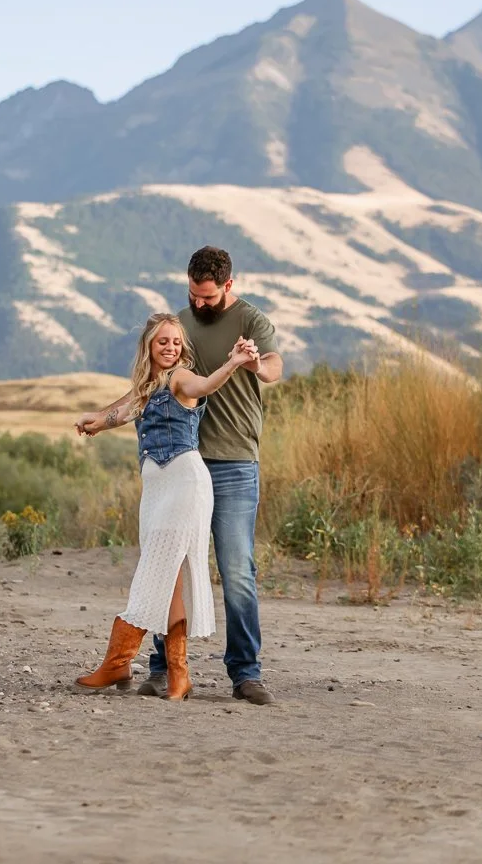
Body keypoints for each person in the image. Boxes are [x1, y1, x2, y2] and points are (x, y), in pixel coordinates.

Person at [71, 312, 260, 701]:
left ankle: (118, 661)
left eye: (176, 341)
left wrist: (234, 362)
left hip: (185, 484)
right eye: (163, 342)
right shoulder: (146, 387)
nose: (171, 347)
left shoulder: (180, 378)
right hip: (156, 490)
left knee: (154, 571)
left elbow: (206, 384)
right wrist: (95, 421)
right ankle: (178, 675)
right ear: (149, 348)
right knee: (170, 582)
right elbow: (121, 411)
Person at [147, 246, 283, 703]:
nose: (199, 304)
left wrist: (254, 363)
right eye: (192, 295)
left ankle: (246, 673)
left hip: (235, 464)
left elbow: (274, 370)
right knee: (170, 564)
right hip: (183, 463)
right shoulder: (179, 327)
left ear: (228, 285)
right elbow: (154, 379)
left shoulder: (252, 321)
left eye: (207, 297)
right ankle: (162, 666)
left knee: (236, 568)